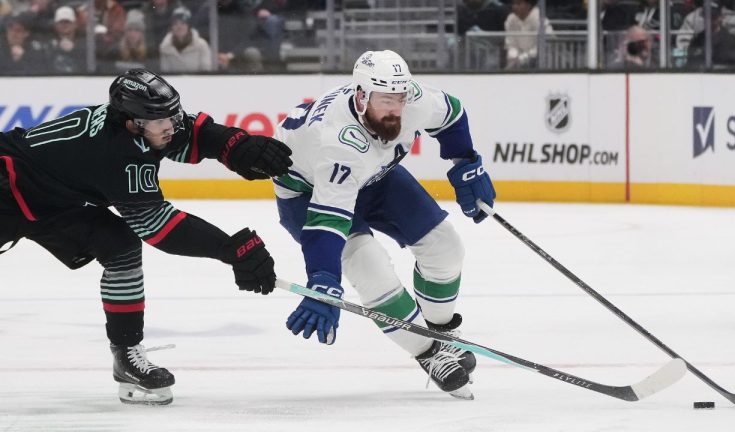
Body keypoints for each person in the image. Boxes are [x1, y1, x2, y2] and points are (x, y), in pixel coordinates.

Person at [0, 68, 292, 405]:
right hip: (6, 191)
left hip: (54, 200)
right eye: (160, 121)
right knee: (128, 236)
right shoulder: (116, 155)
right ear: (131, 123)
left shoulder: (149, 125)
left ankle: (126, 356)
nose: (171, 126)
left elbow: (195, 135)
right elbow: (159, 227)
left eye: (173, 115)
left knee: (120, 247)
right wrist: (229, 249)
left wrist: (235, 145)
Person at [273, 50, 496, 400]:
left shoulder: (412, 100)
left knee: (445, 248)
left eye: (400, 98)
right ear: (361, 96)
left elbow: (451, 114)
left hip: (376, 179)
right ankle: (429, 352)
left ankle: (439, 335)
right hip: (309, 195)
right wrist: (324, 281)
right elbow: (327, 221)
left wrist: (465, 161)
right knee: (369, 265)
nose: (396, 108)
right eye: (386, 100)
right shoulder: (338, 141)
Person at [159, 6, 212, 73]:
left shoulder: (202, 45)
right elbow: (165, 73)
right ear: (171, 27)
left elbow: (206, 73)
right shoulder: (165, 47)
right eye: (175, 24)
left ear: (189, 26)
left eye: (183, 23)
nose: (179, 27)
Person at [504, 0, 552, 70]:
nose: (514, 7)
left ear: (529, 5)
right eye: (513, 4)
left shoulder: (539, 19)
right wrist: (513, 57)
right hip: (518, 64)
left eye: (518, 4)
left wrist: (522, 58)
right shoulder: (511, 19)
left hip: (542, 64)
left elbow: (544, 45)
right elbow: (511, 43)